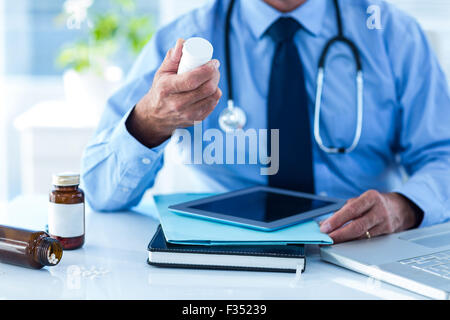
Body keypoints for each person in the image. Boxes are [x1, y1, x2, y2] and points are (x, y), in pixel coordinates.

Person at [81, 0, 450, 243]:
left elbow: (443, 155)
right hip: (225, 254)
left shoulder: (393, 35)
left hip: (361, 246)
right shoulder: (185, 41)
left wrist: (404, 207)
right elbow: (98, 190)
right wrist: (149, 120)